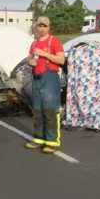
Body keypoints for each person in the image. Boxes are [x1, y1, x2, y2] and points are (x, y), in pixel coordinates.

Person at [25, 16, 66, 154]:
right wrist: (30, 61)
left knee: (50, 110)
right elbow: (29, 57)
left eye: (44, 26)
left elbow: (61, 60)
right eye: (39, 26)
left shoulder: (54, 41)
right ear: (36, 27)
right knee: (37, 110)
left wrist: (44, 54)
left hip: (50, 79)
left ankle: (52, 141)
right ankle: (38, 139)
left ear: (49, 27)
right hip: (37, 79)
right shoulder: (34, 43)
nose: (41, 29)